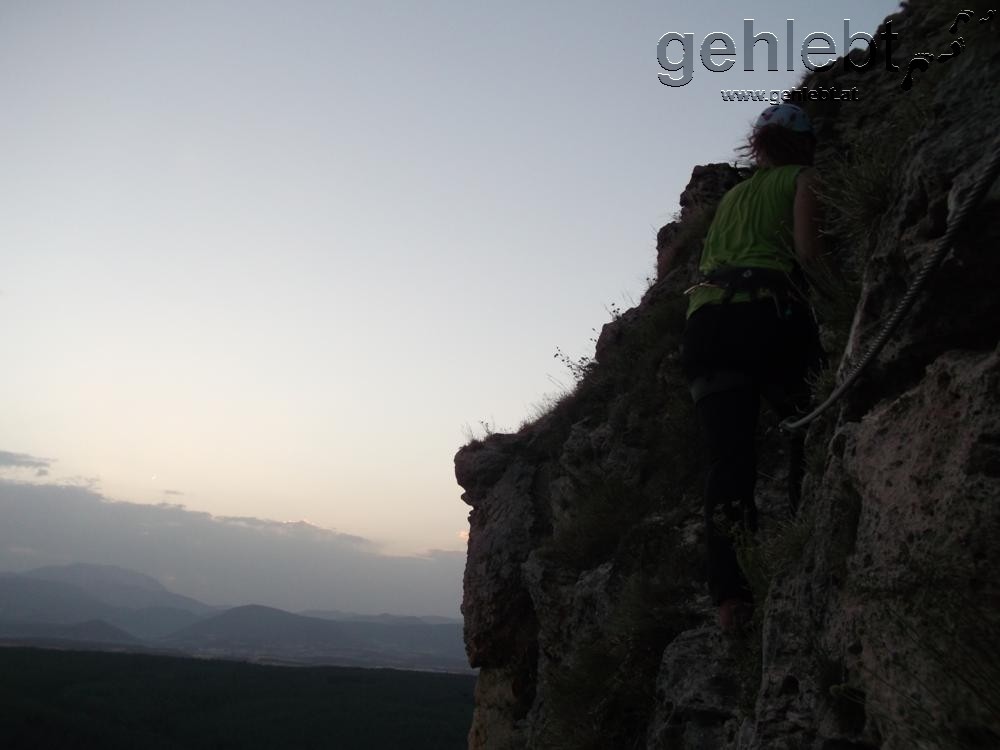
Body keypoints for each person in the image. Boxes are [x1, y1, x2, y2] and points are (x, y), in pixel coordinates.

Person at [680, 104, 833, 632]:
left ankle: (730, 600)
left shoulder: (729, 201)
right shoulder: (804, 179)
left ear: (759, 143)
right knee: (811, 426)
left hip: (704, 326)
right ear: (805, 144)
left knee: (728, 463)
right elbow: (809, 254)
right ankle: (808, 544)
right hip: (765, 315)